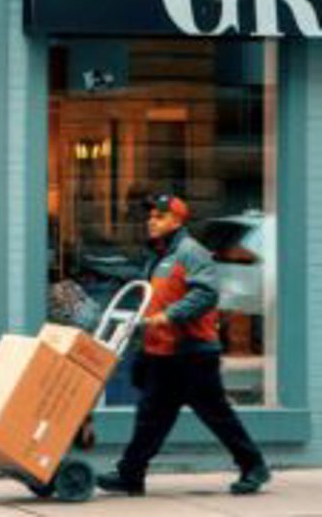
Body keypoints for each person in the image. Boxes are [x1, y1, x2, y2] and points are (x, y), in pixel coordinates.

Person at [96, 194, 270, 496]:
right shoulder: (158, 256)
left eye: (160, 216)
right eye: (150, 216)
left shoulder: (192, 253)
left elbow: (206, 294)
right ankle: (131, 474)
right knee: (151, 417)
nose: (152, 220)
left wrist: (169, 316)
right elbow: (153, 299)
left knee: (216, 415)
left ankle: (254, 466)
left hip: (192, 353)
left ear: (177, 221)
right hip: (162, 353)